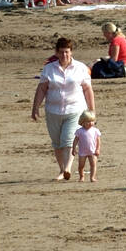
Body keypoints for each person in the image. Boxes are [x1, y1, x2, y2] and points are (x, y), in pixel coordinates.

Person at [31, 36, 95, 181]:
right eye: (61, 52)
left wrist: (91, 110)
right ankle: (61, 169)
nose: (64, 55)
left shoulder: (80, 68)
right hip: (53, 110)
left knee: (68, 140)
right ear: (56, 53)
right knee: (57, 142)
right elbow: (41, 89)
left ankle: (67, 168)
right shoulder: (49, 69)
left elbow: (87, 89)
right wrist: (35, 108)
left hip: (75, 109)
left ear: (71, 52)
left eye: (67, 52)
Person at [72, 111, 101, 182]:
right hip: (82, 151)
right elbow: (75, 140)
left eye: (92, 121)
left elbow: (98, 141)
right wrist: (74, 148)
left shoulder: (95, 130)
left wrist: (97, 149)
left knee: (93, 165)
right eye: (88, 121)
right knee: (81, 165)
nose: (90, 123)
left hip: (92, 151)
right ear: (82, 122)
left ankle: (92, 177)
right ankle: (81, 177)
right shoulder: (79, 131)